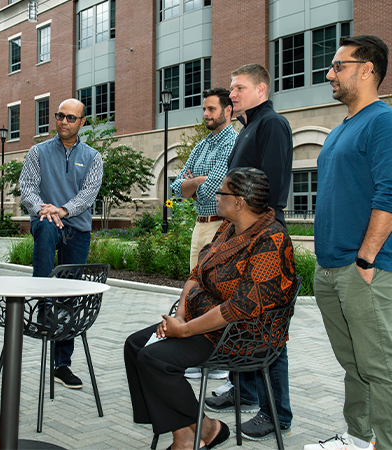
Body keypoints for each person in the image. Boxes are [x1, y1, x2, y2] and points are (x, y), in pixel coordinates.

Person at [125, 167, 298, 450]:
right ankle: (199, 430)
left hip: (240, 334)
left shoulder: (271, 239)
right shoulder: (227, 227)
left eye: (222, 192)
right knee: (134, 346)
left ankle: (190, 436)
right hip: (202, 321)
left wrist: (184, 331)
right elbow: (197, 273)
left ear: (240, 201)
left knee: (154, 360)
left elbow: (239, 308)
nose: (215, 196)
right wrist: (179, 316)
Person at [307, 35, 391, 450]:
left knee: (380, 368)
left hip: (363, 269)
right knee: (353, 365)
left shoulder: (382, 121)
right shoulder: (342, 127)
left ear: (367, 69)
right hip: (329, 267)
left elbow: (389, 194)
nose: (329, 73)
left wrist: (367, 257)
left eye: (338, 66)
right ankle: (359, 440)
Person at [205, 63, 295, 442]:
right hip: (241, 235)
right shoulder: (249, 126)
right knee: (241, 319)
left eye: (239, 87)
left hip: (262, 239)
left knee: (266, 325)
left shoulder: (271, 124)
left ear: (261, 89)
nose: (233, 94)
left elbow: (269, 188)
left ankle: (277, 413)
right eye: (231, 88)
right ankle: (245, 391)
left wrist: (252, 234)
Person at [19, 98, 103, 389]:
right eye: (60, 116)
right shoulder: (37, 151)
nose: (64, 122)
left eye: (71, 118)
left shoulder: (93, 156)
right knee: (44, 226)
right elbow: (27, 187)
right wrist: (44, 208)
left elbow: (88, 194)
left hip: (76, 228)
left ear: (82, 123)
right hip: (47, 220)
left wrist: (63, 210)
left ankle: (62, 365)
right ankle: (42, 300)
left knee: (69, 295)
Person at [170, 88, 238, 382]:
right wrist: (196, 183)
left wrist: (194, 183)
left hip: (220, 225)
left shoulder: (232, 142)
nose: (207, 115)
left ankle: (219, 360)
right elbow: (175, 188)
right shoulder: (202, 145)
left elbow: (216, 188)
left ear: (228, 111)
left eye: (212, 109)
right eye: (205, 109)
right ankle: (198, 355)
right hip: (200, 225)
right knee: (196, 292)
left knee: (217, 292)